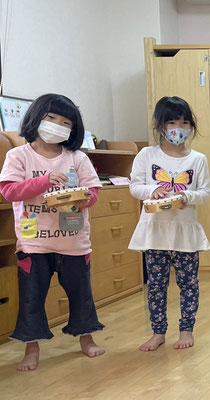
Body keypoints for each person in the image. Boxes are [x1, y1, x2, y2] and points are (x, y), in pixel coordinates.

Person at [0, 93, 104, 371]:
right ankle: (31, 347)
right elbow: (9, 191)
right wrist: (44, 182)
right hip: (34, 243)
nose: (58, 125)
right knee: (32, 298)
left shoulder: (77, 158)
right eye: (51, 118)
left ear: (73, 129)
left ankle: (86, 338)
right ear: (36, 118)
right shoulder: (18, 155)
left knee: (81, 295)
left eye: (66, 122)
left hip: (74, 242)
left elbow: (93, 193)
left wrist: (82, 199)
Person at [128, 96, 210, 351]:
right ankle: (158, 332)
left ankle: (186, 329)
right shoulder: (146, 154)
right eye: (172, 122)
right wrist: (152, 190)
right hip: (155, 232)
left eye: (185, 123)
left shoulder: (198, 159)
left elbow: (205, 193)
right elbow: (135, 186)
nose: (179, 128)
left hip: (185, 233)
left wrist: (187, 196)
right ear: (158, 125)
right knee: (156, 286)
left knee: (189, 284)